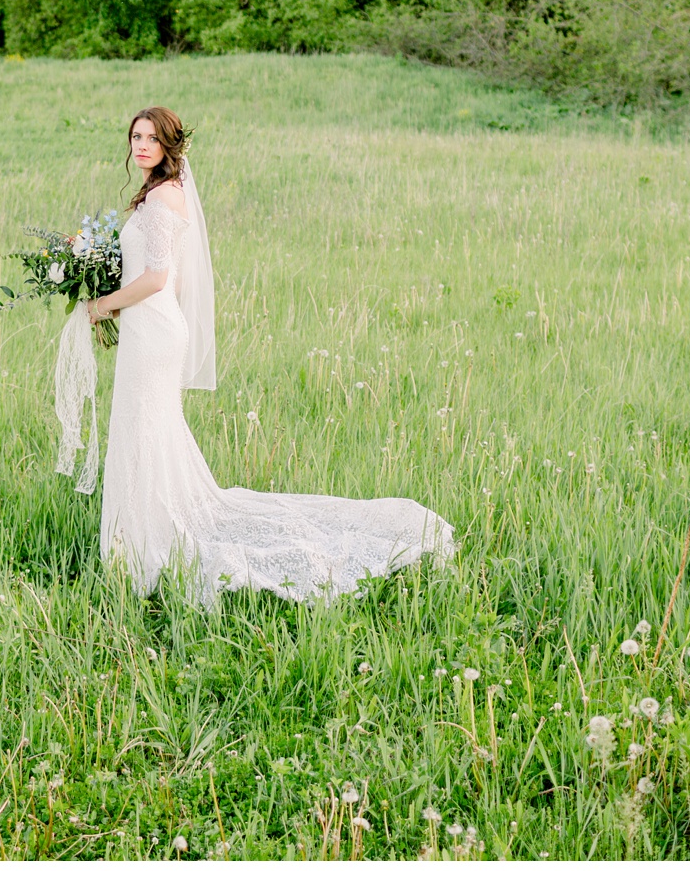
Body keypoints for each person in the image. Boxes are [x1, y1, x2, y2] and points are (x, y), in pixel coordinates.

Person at [56, 105, 456, 609]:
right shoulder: (159, 194)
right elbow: (156, 273)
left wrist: (100, 305)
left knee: (141, 430)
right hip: (150, 327)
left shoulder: (162, 200)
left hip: (154, 330)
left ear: (168, 146)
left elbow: (157, 279)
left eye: (152, 139)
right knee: (146, 430)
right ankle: (136, 537)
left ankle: (142, 547)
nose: (141, 146)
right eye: (135, 136)